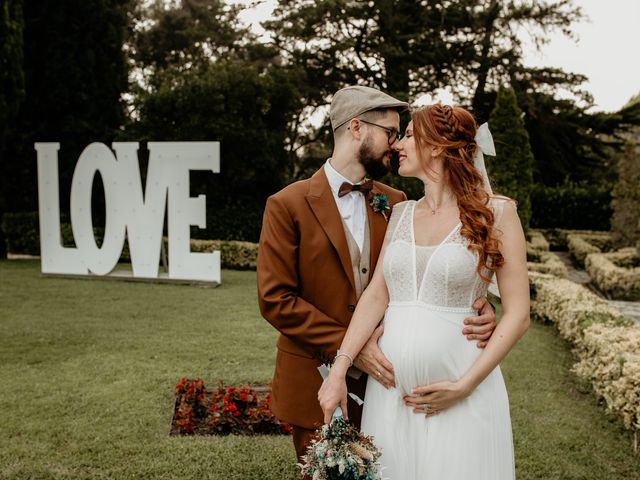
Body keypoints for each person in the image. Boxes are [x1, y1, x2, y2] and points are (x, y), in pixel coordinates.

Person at [257, 87, 498, 463]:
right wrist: (351, 349)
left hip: (389, 385)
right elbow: (276, 299)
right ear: (356, 128)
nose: (396, 143)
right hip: (315, 379)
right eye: (390, 132)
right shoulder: (286, 204)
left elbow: (425, 274)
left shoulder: (399, 203)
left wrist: (477, 304)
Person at [318, 104, 530, 479]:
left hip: (461, 393)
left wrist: (464, 386)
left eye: (411, 135)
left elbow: (517, 314)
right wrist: (340, 367)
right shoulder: (401, 214)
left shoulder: (497, 213)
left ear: (438, 146)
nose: (398, 143)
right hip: (390, 398)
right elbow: (376, 296)